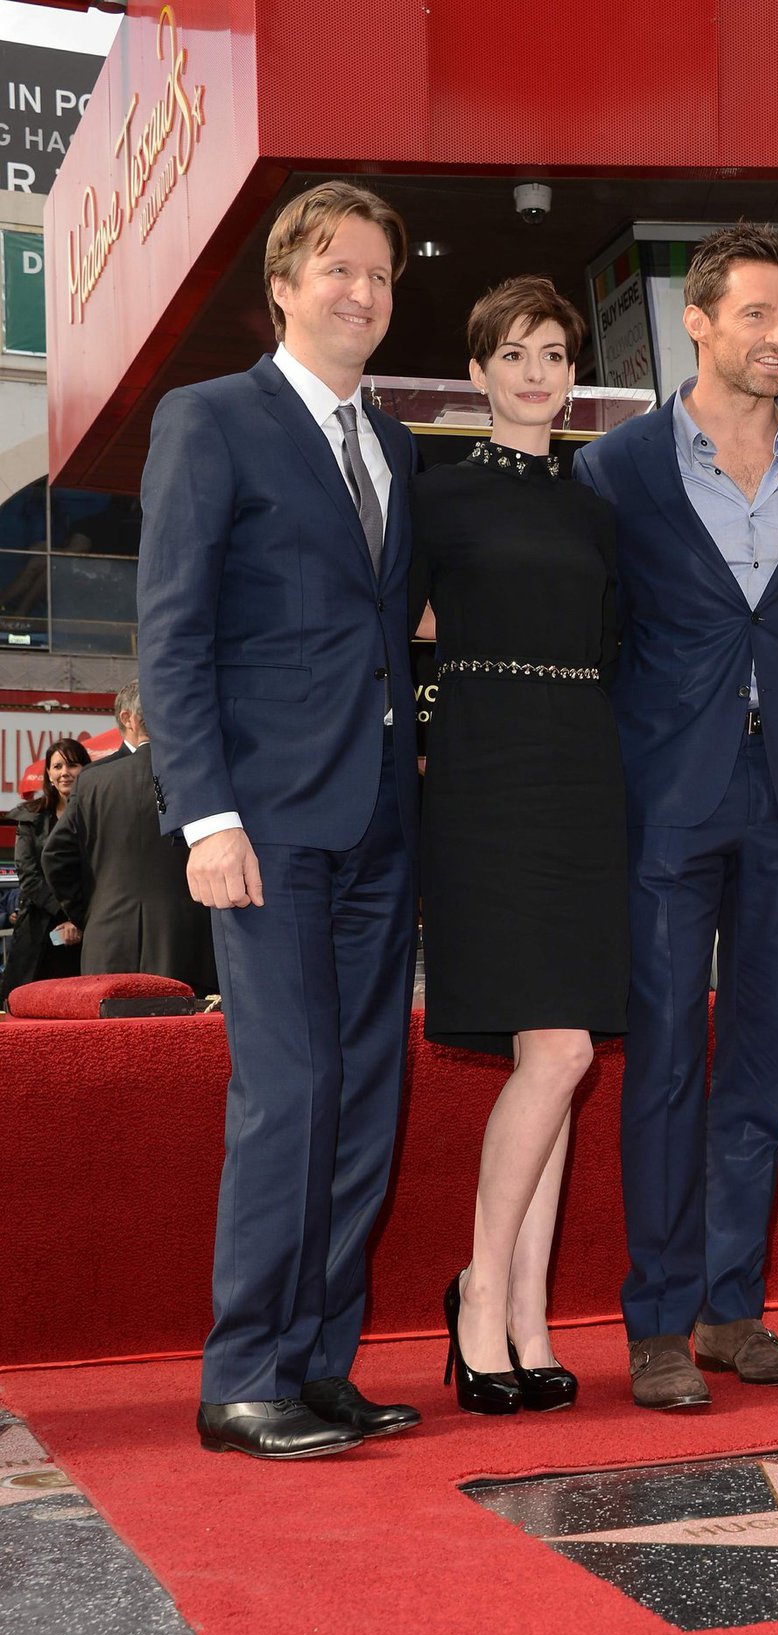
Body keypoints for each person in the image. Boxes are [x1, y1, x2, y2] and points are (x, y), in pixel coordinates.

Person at [136, 181, 422, 1460]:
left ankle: (317, 1362)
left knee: (366, 1097)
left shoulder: (397, 445)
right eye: (337, 271)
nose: (361, 292)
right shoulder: (209, 421)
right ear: (283, 287)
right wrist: (205, 817)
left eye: (379, 275)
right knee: (289, 1092)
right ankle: (240, 1368)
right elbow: (173, 634)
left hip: (378, 822)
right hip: (262, 825)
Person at [573, 223, 778, 1410]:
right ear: (696, 320)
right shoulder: (618, 468)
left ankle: (733, 1312)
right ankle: (653, 1321)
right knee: (665, 1064)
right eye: (756, 316)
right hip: (664, 801)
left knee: (764, 1063)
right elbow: (587, 634)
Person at [409, 277, 627, 1416]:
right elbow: (389, 640)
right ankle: (480, 1288)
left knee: (567, 1052)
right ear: (480, 370)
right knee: (558, 1052)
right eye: (514, 353)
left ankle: (530, 1316)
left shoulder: (596, 508)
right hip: (486, 780)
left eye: (553, 352)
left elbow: (613, 649)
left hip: (584, 779)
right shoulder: (433, 496)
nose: (537, 371)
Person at [41, 693, 218, 994]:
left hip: (107, 939)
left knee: (111, 1040)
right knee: (183, 1038)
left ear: (132, 720)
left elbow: (55, 855)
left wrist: (90, 912)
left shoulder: (93, 780)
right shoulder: (202, 773)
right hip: (187, 940)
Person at [0, 739, 91, 1005]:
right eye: (58, 766)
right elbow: (29, 877)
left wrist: (79, 922)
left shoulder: (97, 814)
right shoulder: (31, 817)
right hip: (37, 931)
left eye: (73, 765)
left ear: (86, 770)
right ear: (49, 774)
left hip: (86, 931)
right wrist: (67, 914)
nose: (65, 772)